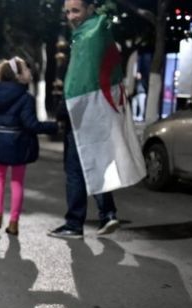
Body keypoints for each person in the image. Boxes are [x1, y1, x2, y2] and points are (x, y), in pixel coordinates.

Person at [49, 0, 146, 239]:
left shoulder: (90, 34)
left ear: (90, 9)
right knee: (94, 161)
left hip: (83, 111)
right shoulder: (97, 31)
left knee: (74, 169)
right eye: (68, 12)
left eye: (76, 10)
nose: (71, 16)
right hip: (96, 110)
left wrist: (63, 107)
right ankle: (108, 214)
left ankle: (74, 224)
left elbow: (78, 79)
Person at [0, 57, 58, 235]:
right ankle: (13, 222)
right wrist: (54, 127)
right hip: (18, 142)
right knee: (17, 181)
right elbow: (31, 124)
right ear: (18, 75)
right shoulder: (25, 98)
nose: (29, 72)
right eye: (26, 68)